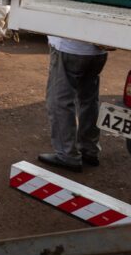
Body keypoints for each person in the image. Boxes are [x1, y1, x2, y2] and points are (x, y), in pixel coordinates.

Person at [38, 37, 109, 172]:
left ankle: (67, 154)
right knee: (88, 99)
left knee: (59, 100)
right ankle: (89, 149)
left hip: (69, 48)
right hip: (97, 52)